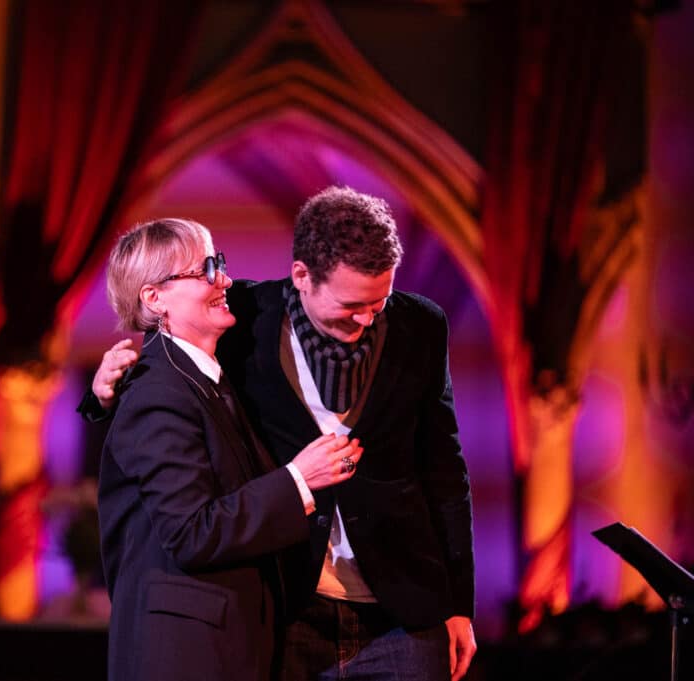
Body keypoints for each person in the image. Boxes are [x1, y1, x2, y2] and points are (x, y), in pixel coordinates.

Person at [83, 188, 477, 681]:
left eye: (379, 301)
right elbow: (166, 351)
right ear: (302, 276)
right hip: (289, 611)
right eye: (351, 303)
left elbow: (445, 470)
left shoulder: (420, 325)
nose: (367, 317)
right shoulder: (244, 318)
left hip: (401, 612)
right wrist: (104, 394)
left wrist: (458, 603)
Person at [97, 218, 362, 681]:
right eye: (204, 270)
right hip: (185, 657)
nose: (224, 279)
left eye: (218, 263)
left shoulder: (205, 380)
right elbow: (191, 532)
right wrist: (299, 479)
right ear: (154, 298)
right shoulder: (159, 391)